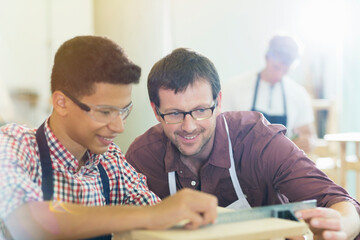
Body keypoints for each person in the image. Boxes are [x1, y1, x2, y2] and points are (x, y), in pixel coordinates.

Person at [125, 48, 360, 239]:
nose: (189, 126)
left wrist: (339, 228)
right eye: (175, 114)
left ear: (218, 102)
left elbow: (339, 202)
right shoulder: (143, 157)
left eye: (200, 110)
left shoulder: (259, 140)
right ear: (156, 111)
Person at [0, 36, 218, 240]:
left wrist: (178, 215)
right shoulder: (14, 144)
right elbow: (25, 219)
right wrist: (153, 215)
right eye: (105, 112)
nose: (119, 127)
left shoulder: (110, 160)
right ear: (61, 103)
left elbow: (152, 211)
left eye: (123, 111)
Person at [222, 35, 315, 154]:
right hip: (243, 165)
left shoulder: (299, 94)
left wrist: (307, 142)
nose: (280, 69)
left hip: (282, 166)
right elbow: (220, 131)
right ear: (267, 57)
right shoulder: (233, 88)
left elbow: (308, 135)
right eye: (276, 65)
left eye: (285, 67)